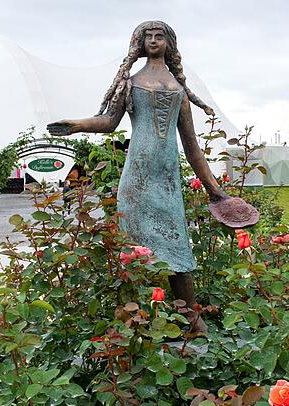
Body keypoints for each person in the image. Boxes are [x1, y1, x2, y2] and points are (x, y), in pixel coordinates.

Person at [47, 21, 249, 335]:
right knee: (133, 249)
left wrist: (215, 191)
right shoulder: (130, 83)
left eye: (159, 36)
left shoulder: (178, 91)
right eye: (148, 36)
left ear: (169, 43)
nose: (154, 41)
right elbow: (108, 122)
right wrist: (76, 124)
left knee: (176, 242)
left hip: (166, 178)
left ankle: (192, 320)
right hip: (136, 177)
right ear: (139, 44)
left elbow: (193, 147)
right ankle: (133, 321)